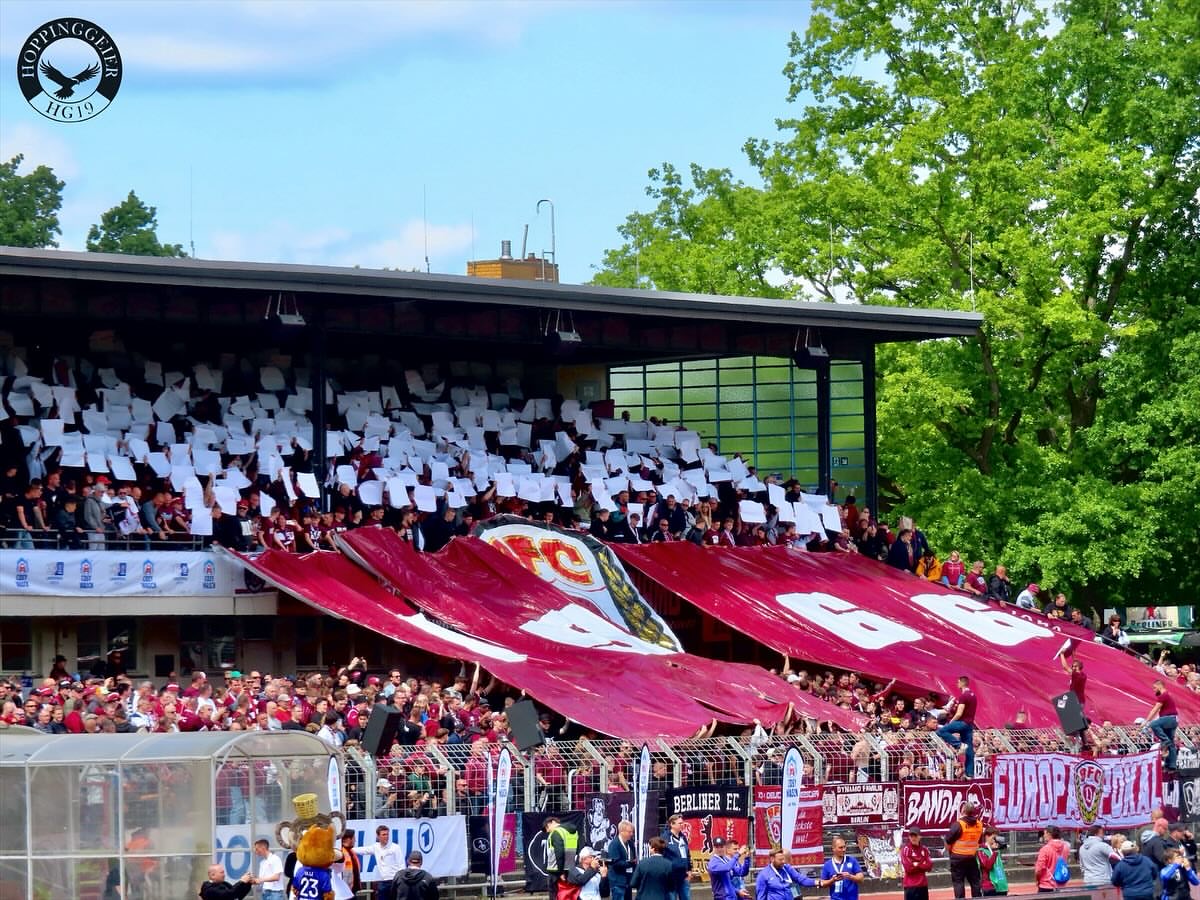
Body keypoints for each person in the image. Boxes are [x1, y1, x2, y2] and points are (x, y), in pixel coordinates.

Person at [936, 676, 977, 778]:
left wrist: (951, 722)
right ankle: (969, 774)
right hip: (969, 724)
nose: (956, 684)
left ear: (962, 683)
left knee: (941, 731)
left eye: (958, 682)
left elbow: (959, 713)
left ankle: (958, 745)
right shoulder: (973, 696)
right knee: (969, 749)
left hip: (962, 722)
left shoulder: (963, 696)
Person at [944, 801, 984, 899]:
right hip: (971, 858)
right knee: (975, 882)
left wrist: (950, 852)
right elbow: (979, 841)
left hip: (957, 858)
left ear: (963, 810)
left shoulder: (958, 825)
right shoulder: (979, 824)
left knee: (958, 882)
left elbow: (947, 840)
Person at [1146, 680, 1179, 772]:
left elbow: (1155, 709)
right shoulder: (1168, 695)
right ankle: (1171, 766)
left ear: (1160, 686)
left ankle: (1165, 740)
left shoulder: (1163, 695)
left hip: (1169, 718)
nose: (1153, 690)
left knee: (1153, 724)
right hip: (1174, 719)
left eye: (1154, 688)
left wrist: (1146, 721)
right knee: (1171, 744)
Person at [544, 815, 581, 900]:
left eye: (547, 827)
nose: (547, 830)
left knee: (555, 895)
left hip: (555, 871)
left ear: (552, 822)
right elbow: (577, 848)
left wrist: (560, 872)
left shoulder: (556, 832)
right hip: (570, 868)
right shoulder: (574, 832)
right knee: (569, 895)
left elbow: (559, 853)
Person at [367, 824, 405, 900]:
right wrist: (346, 848)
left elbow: (402, 865)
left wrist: (401, 882)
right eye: (383, 834)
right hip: (382, 882)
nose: (386, 836)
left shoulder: (395, 847)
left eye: (387, 834)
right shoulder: (376, 847)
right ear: (378, 836)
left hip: (394, 882)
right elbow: (363, 850)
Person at [662, 814, 693, 900]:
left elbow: (687, 854)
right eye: (680, 823)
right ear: (672, 824)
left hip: (684, 875)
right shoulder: (665, 838)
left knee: (686, 897)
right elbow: (662, 856)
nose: (682, 825)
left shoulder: (683, 837)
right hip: (671, 875)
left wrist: (690, 870)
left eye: (682, 823)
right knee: (671, 897)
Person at [606, 820, 637, 900]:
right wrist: (630, 863)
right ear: (622, 831)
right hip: (618, 882)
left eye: (632, 832)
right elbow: (615, 863)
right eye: (629, 832)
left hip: (628, 880)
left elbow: (633, 858)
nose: (631, 834)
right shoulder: (614, 845)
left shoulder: (630, 843)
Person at [900, 827, 934, 900]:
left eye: (915, 835)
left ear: (920, 836)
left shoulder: (924, 849)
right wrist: (922, 864)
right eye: (911, 836)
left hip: (923, 885)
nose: (913, 838)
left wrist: (916, 864)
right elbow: (908, 868)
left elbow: (929, 866)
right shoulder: (906, 849)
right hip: (910, 885)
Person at [1034, 826, 1070, 892]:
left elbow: (1039, 870)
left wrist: (1037, 880)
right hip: (1061, 884)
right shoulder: (1066, 847)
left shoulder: (1045, 849)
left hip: (1046, 885)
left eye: (1044, 833)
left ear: (1049, 834)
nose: (1044, 836)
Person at [978, 828, 1007, 897]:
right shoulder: (981, 851)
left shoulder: (996, 850)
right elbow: (987, 866)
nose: (995, 840)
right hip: (989, 886)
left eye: (996, 837)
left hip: (1000, 886)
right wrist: (994, 852)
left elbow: (999, 868)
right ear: (987, 836)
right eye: (994, 837)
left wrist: (1004, 885)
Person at [338, 829, 363, 895]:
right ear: (348, 839)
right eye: (354, 838)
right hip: (345, 891)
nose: (355, 840)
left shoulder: (351, 852)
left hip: (351, 890)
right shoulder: (340, 854)